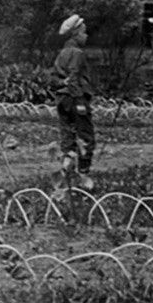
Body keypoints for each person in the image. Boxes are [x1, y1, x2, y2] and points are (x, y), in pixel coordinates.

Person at [50, 14, 96, 188]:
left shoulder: (62, 53)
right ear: (75, 34)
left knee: (67, 139)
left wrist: (62, 84)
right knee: (86, 138)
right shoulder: (77, 53)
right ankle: (84, 178)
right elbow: (75, 76)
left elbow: (53, 79)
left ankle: (64, 178)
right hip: (75, 98)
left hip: (62, 99)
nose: (86, 36)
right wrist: (79, 101)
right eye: (84, 33)